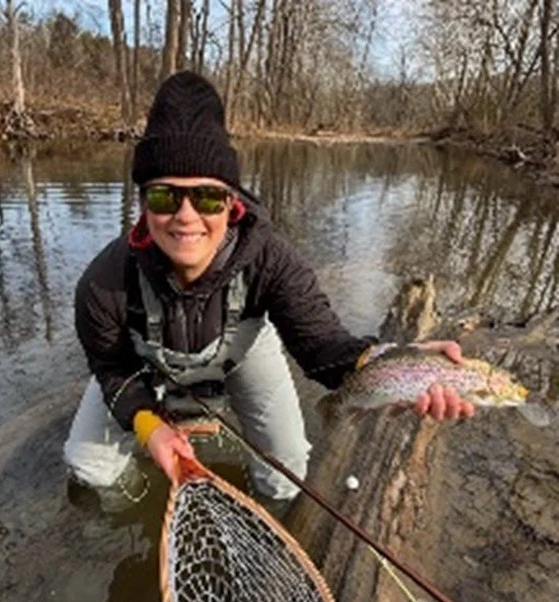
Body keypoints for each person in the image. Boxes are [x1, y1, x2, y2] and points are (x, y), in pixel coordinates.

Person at [63, 71, 474, 506]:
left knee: (288, 474)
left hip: (242, 354)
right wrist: (151, 428)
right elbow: (112, 369)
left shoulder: (273, 259)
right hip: (141, 366)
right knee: (89, 472)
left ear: (231, 202)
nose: (185, 216)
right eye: (165, 197)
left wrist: (400, 363)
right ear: (143, 203)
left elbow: (324, 349)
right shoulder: (103, 284)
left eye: (206, 197)